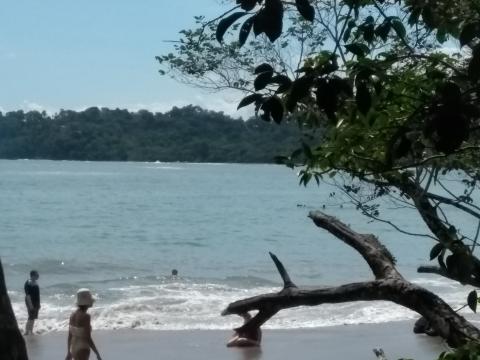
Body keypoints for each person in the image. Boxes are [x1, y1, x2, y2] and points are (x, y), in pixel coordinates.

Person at [65, 289, 102, 360]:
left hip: (73, 348)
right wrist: (97, 353)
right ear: (87, 302)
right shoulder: (86, 316)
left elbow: (70, 336)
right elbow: (88, 338)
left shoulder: (72, 315)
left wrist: (68, 352)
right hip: (83, 348)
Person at [24, 270, 40, 335]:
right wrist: (30, 305)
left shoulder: (36, 283)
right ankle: (26, 331)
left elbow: (38, 295)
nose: (38, 276)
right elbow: (27, 295)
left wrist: (39, 303)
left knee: (33, 317)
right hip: (29, 300)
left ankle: (31, 331)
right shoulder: (28, 283)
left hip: (36, 302)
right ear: (33, 275)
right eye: (37, 275)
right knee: (30, 316)